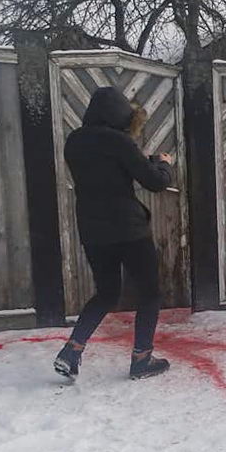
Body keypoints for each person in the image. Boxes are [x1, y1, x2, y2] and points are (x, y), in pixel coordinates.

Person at [53, 86, 174, 380]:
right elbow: (155, 182)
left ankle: (71, 351)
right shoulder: (119, 141)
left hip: (93, 231)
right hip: (129, 230)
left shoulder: (74, 141)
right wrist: (163, 164)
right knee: (149, 293)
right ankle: (141, 359)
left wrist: (136, 158)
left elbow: (105, 169)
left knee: (106, 293)